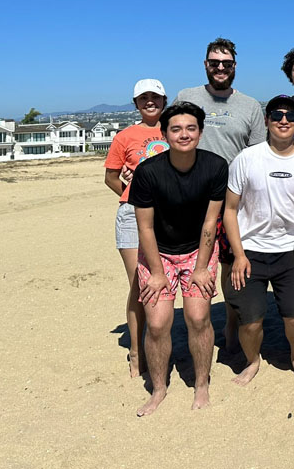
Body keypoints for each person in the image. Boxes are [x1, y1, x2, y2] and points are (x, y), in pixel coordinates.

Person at [127, 102, 228, 416]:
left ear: (200, 132)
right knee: (158, 324)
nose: (184, 134)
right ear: (165, 133)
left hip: (199, 250)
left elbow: (210, 222)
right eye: (176, 129)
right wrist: (157, 273)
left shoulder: (215, 166)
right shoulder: (148, 172)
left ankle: (201, 384)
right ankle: (158, 389)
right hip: (158, 252)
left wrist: (201, 268)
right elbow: (144, 227)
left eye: (191, 128)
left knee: (198, 318)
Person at [175, 37, 267, 351]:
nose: (220, 68)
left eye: (226, 64)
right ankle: (197, 325)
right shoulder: (186, 97)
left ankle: (229, 322)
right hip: (190, 198)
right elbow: (171, 137)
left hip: (232, 201)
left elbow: (256, 157)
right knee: (193, 262)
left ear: (235, 66)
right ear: (206, 65)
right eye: (215, 63)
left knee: (229, 264)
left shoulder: (250, 106)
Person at [222, 96, 294, 385]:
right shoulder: (247, 158)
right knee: (250, 322)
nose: (283, 120)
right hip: (250, 251)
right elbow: (230, 210)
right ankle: (253, 361)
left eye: (290, 116)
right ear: (266, 121)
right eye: (276, 115)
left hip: (293, 251)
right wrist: (238, 255)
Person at [103, 79, 169, 377]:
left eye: (155, 96)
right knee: (139, 284)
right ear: (136, 103)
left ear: (164, 100)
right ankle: (136, 349)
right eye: (144, 98)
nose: (150, 102)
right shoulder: (125, 136)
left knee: (164, 281)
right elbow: (111, 177)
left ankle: (159, 343)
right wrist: (133, 194)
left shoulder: (175, 128)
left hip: (170, 213)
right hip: (132, 215)